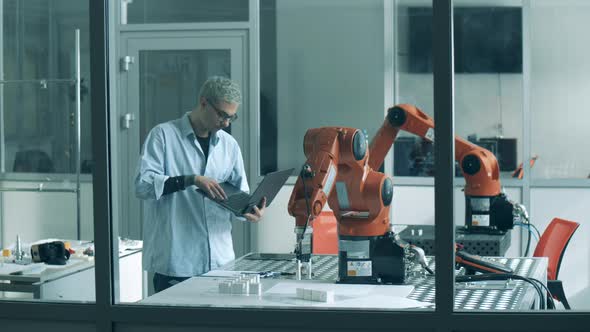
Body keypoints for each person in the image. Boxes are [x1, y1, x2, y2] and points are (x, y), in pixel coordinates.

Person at [135, 76, 266, 293]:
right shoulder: (163, 136)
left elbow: (240, 192)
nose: (226, 123)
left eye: (232, 118)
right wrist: (190, 179)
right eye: (223, 115)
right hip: (177, 262)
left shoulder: (229, 145)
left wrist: (249, 210)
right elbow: (142, 185)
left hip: (221, 262)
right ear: (204, 103)